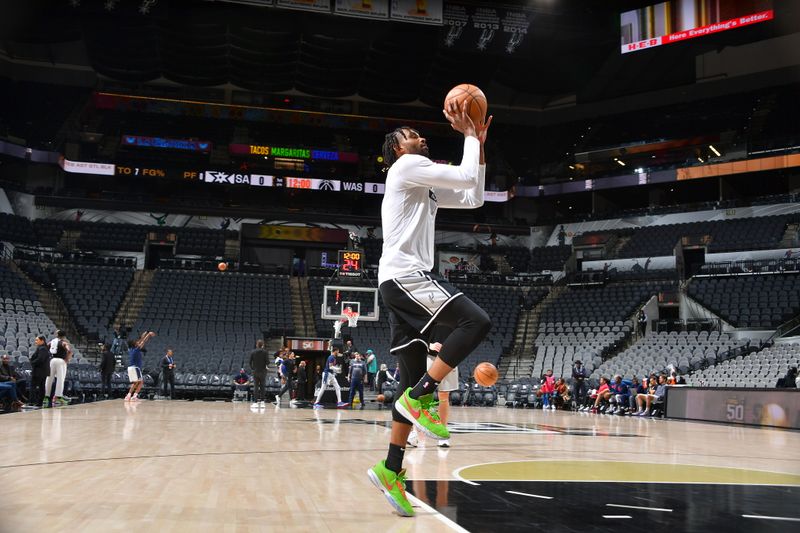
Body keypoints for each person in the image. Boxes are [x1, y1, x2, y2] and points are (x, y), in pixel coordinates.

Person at [367, 100, 492, 517]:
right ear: (397, 151)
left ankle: (390, 469)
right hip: (407, 277)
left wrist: (480, 145)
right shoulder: (404, 169)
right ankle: (423, 396)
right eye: (410, 136)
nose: (419, 137)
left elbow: (473, 196)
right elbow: (464, 172)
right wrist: (469, 135)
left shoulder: (422, 184)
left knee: (405, 382)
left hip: (394, 284)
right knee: (476, 321)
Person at [407, 333, 460, 448]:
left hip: (449, 357)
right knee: (420, 395)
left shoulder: (457, 317)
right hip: (427, 356)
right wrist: (428, 345)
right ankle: (415, 433)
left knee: (444, 396)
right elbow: (416, 332)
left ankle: (442, 434)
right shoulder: (426, 316)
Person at [44, 330, 73, 407]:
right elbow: (69, 351)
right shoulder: (64, 343)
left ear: (57, 335)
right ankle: (58, 397)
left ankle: (46, 397)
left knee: (49, 378)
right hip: (61, 361)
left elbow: (46, 347)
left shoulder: (52, 342)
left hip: (52, 360)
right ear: (64, 336)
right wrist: (67, 359)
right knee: (60, 379)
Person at [125, 331, 155, 402]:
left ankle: (130, 395)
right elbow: (143, 341)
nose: (137, 342)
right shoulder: (136, 349)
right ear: (134, 344)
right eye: (136, 343)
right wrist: (148, 335)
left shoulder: (131, 349)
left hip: (130, 367)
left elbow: (140, 340)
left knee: (136, 382)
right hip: (135, 368)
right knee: (139, 382)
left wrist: (144, 334)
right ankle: (132, 396)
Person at [29, 335, 51, 407]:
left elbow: (40, 359)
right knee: (41, 387)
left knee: (34, 387)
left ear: (42, 341)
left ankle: (32, 402)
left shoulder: (42, 349)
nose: (35, 341)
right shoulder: (43, 348)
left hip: (39, 371)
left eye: (37, 340)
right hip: (42, 371)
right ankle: (39, 402)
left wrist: (32, 362)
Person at [249, 339, 269, 407]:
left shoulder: (253, 352)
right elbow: (268, 362)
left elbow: (249, 362)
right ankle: (263, 402)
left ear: (257, 345)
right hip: (263, 371)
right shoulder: (265, 352)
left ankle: (255, 402)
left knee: (256, 387)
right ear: (262, 345)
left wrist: (253, 368)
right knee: (263, 386)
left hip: (255, 371)